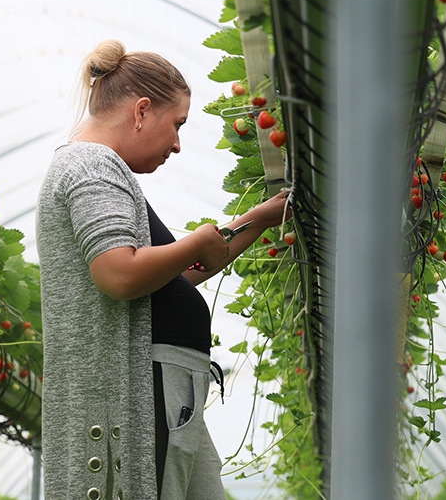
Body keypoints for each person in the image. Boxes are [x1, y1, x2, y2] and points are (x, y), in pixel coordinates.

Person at [35, 40, 290, 500]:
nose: (176, 144)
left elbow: (172, 276)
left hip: (167, 393)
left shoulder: (99, 169)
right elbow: (120, 275)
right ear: (141, 111)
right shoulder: (92, 166)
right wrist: (197, 239)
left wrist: (258, 219)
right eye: (177, 125)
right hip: (141, 394)